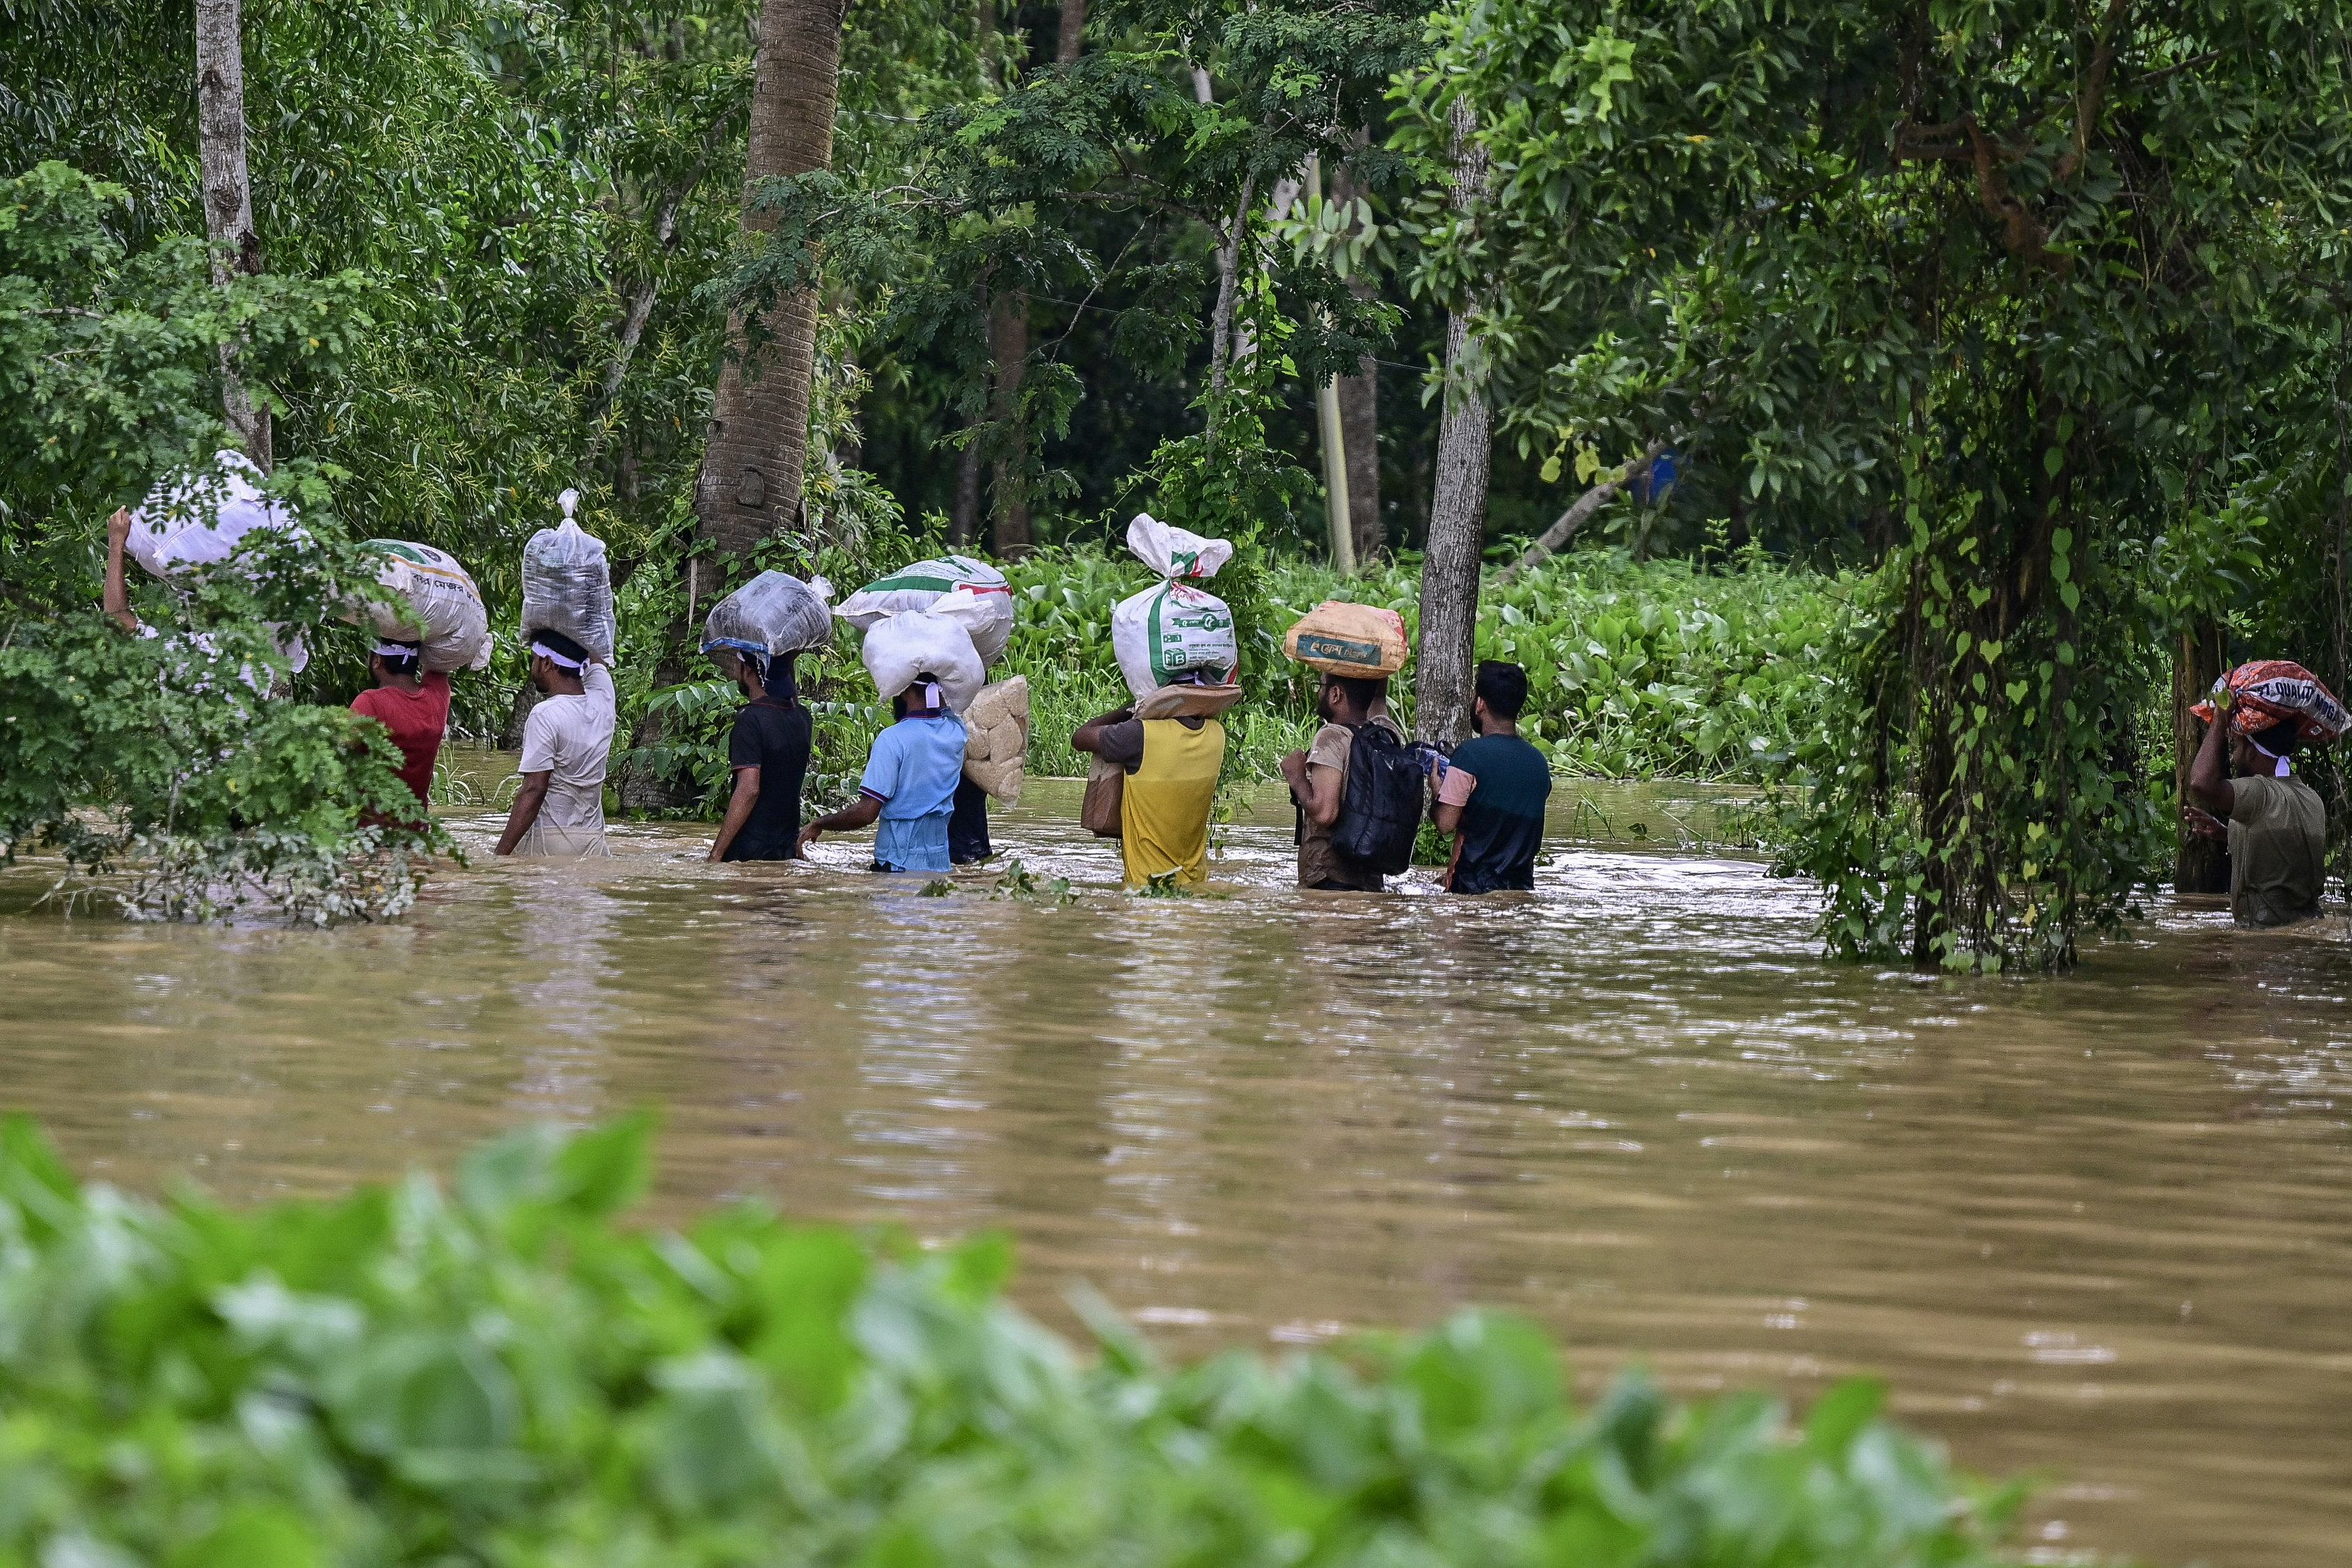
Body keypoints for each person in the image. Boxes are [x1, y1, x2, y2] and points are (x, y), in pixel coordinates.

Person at [1071, 668, 1232, 888]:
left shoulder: (1140, 735)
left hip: (1147, 891)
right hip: (1197, 886)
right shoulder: (1216, 734)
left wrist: (1131, 708)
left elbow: (1080, 737)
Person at [2186, 684, 2327, 927]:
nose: (2234, 756)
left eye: (2238, 747)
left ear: (2251, 752)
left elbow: (2200, 783)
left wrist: (2220, 718)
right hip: (2305, 929)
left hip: (2264, 938)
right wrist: (2227, 833)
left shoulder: (2259, 793)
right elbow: (2284, 850)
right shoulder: (2310, 797)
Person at [796, 674, 965, 873]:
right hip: (940, 863)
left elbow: (866, 813)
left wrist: (820, 823)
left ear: (903, 690)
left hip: (897, 864)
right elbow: (948, 711)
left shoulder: (892, 739)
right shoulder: (956, 732)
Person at [1432, 660, 1552, 894]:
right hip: (1521, 891)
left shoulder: (1469, 756)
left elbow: (1445, 824)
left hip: (1469, 892)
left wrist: (1437, 790)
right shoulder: (1539, 763)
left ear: (1480, 704)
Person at [494, 628, 615, 857]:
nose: (532, 668)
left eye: (533, 660)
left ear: (547, 663)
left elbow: (534, 790)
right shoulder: (603, 700)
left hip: (552, 840)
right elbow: (597, 656)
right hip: (594, 843)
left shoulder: (545, 714)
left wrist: (500, 855)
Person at [1279, 672, 1405, 892]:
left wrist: (1296, 777)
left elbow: (1326, 813)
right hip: (1370, 881)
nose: (1319, 692)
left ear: (1336, 694)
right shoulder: (1386, 734)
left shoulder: (1332, 736)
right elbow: (1378, 700)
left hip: (1329, 880)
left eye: (1322, 686)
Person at [704, 647, 812, 863]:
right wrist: (788, 657)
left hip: (748, 853)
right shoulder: (803, 718)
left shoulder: (750, 720)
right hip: (787, 852)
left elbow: (749, 790)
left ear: (749, 671)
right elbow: (790, 699)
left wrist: (715, 854)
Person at [350, 639, 452, 821]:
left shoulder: (370, 703)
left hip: (371, 836)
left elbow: (334, 749)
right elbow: (439, 665)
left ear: (377, 661)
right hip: (417, 837)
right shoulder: (438, 697)